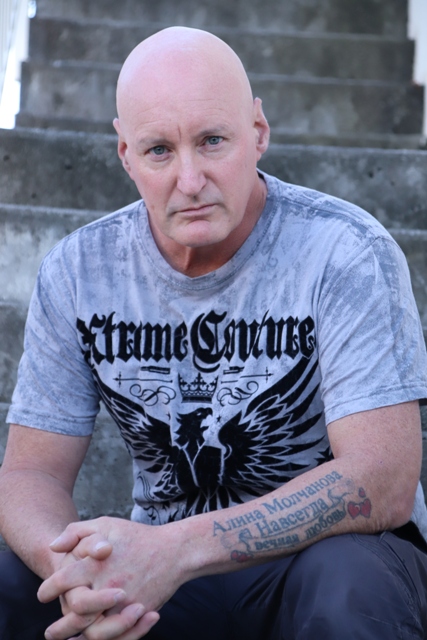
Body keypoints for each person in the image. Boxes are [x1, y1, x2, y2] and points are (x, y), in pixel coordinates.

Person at [1, 25, 427, 640]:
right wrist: (72, 570)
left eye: (212, 141)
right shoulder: (78, 271)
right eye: (159, 150)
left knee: (347, 586)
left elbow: (382, 480)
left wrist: (174, 550)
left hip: (323, 558)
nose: (190, 180)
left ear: (259, 132)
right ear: (125, 155)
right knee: (16, 584)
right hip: (166, 582)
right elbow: (30, 475)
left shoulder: (345, 251)